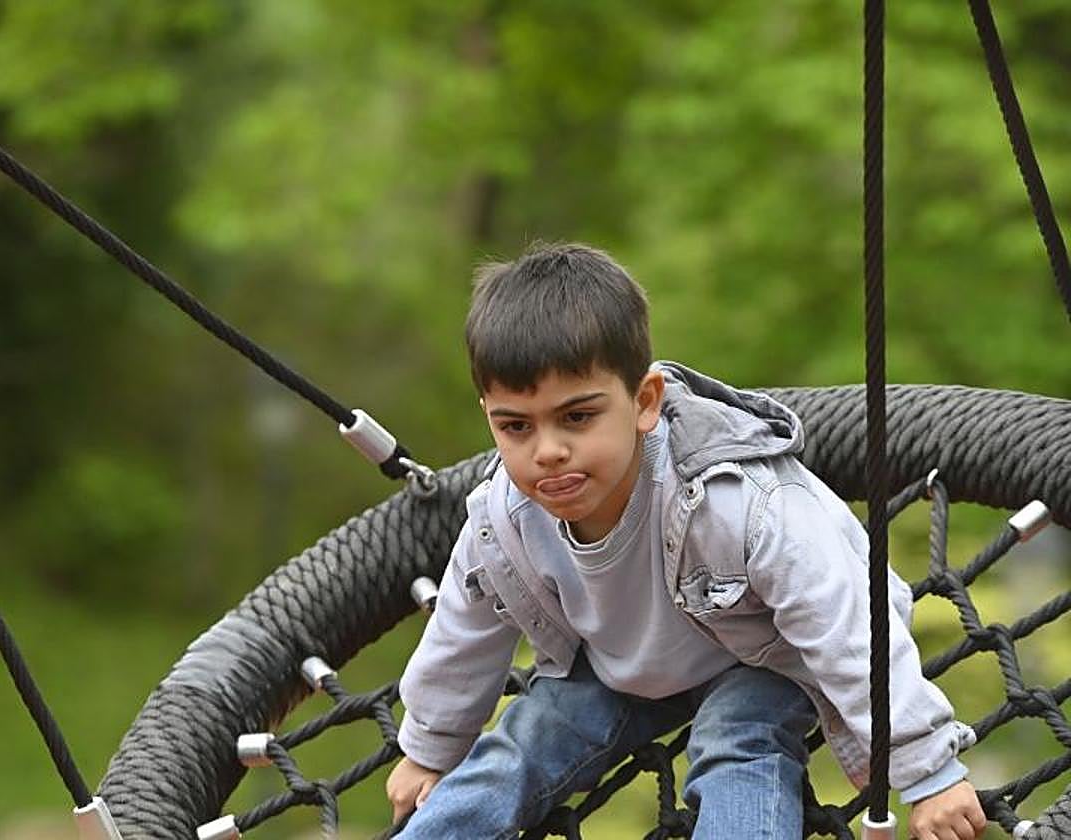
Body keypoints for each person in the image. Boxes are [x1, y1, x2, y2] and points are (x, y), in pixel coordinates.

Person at [386, 243, 987, 839]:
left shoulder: (739, 499)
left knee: (736, 740)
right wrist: (430, 748)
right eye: (515, 426)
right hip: (623, 668)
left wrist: (926, 769)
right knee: (527, 737)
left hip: (764, 654)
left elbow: (846, 624)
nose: (547, 450)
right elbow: (465, 627)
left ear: (645, 401)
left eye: (577, 417)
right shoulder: (505, 517)